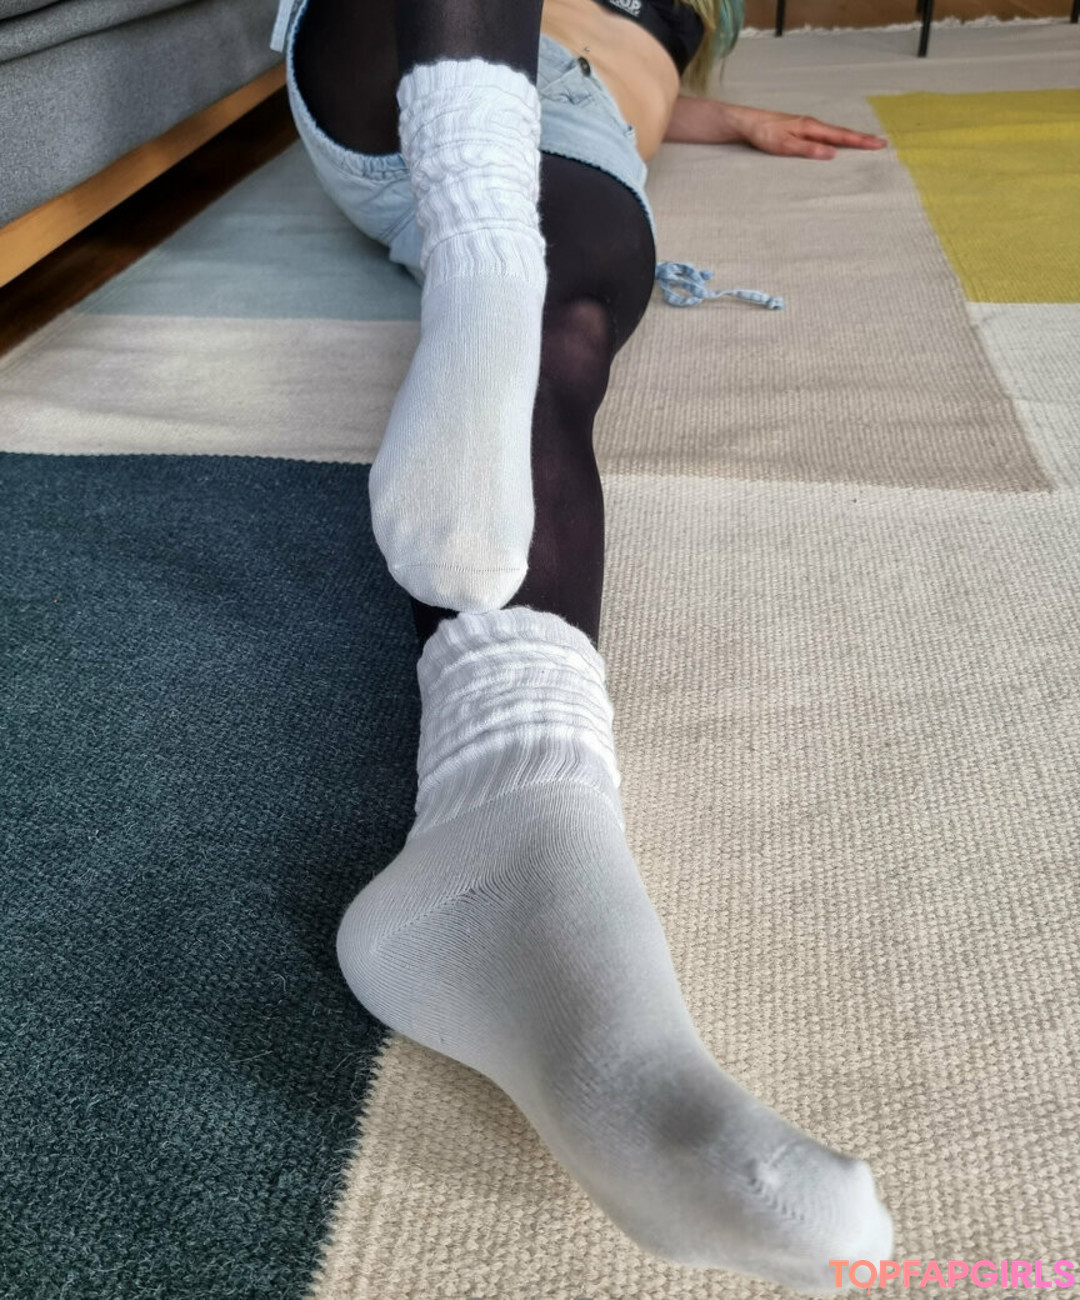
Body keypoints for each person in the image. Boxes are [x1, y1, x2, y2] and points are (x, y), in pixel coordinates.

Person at [270, 0, 892, 1288]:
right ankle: (483, 250)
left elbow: (637, 68)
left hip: (578, 136)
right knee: (537, 309)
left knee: (560, 338)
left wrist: (713, 114)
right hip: (405, 52)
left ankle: (519, 812)